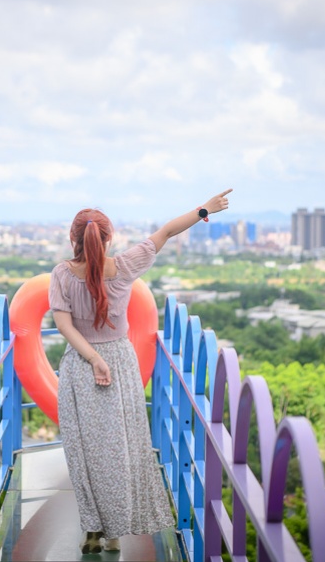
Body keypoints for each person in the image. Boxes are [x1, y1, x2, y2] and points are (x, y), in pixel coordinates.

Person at [49, 189, 233, 554]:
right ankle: (115, 531)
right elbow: (166, 232)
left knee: (84, 451)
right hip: (120, 362)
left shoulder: (61, 274)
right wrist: (204, 210)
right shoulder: (127, 265)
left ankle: (92, 531)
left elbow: (64, 327)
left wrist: (92, 359)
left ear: (73, 239)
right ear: (109, 238)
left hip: (81, 368)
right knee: (119, 449)